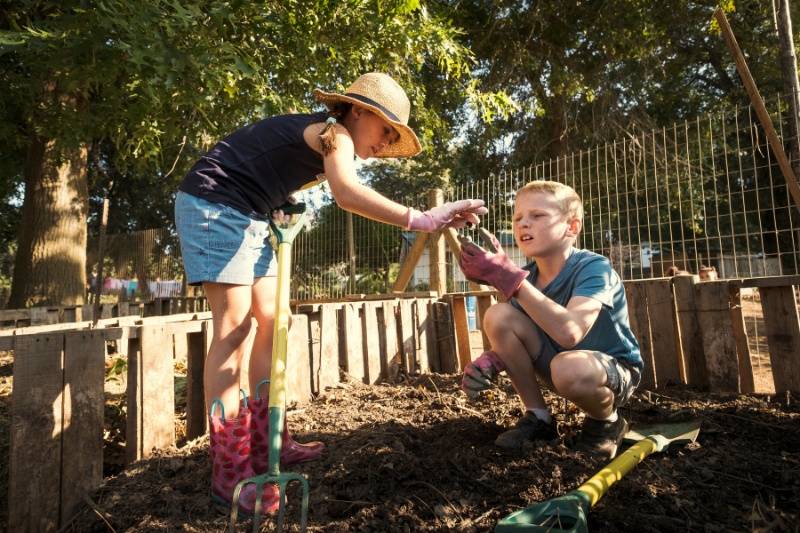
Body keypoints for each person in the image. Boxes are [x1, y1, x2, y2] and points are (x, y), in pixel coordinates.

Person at [175, 72, 487, 514]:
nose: (385, 144)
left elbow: (265, 161)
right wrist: (424, 219)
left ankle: (267, 443)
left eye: (393, 137)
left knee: (274, 319)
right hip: (213, 204)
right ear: (359, 111)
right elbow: (347, 193)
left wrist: (278, 197)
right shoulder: (334, 133)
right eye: (385, 130)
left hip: (247, 212)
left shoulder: (326, 140)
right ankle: (230, 469)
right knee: (236, 327)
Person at [457, 180, 642, 459]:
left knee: (569, 368)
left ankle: (607, 422)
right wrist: (491, 361)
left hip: (608, 374)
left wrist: (510, 279)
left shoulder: (594, 268)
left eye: (538, 215)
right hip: (558, 365)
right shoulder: (528, 277)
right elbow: (515, 335)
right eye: (518, 217)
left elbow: (570, 333)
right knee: (498, 315)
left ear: (572, 227)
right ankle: (538, 417)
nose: (523, 224)